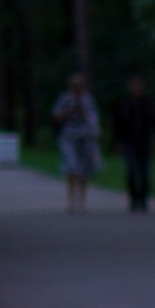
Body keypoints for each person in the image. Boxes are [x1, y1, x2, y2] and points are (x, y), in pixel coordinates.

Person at [52, 73, 102, 213]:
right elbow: (56, 117)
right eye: (74, 86)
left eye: (79, 86)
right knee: (71, 168)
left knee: (84, 171)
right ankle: (71, 201)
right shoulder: (64, 99)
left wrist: (83, 110)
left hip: (85, 136)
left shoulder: (88, 99)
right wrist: (70, 110)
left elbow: (93, 118)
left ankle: (82, 202)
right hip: (69, 136)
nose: (77, 89)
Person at [114, 75, 155, 214]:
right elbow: (118, 123)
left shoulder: (149, 103)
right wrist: (118, 141)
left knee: (144, 172)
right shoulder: (125, 104)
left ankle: (143, 199)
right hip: (129, 142)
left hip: (145, 141)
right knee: (131, 170)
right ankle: (133, 198)